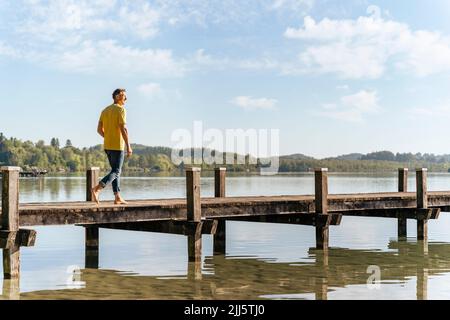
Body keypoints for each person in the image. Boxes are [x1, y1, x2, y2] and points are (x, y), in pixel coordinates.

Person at [91, 88, 132, 205]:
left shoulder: (105, 110)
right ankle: (97, 188)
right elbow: (123, 129)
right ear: (117, 96)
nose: (126, 98)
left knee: (114, 172)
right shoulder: (121, 110)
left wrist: (108, 137)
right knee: (116, 171)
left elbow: (99, 130)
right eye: (124, 96)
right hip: (118, 146)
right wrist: (128, 146)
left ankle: (117, 197)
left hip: (107, 146)